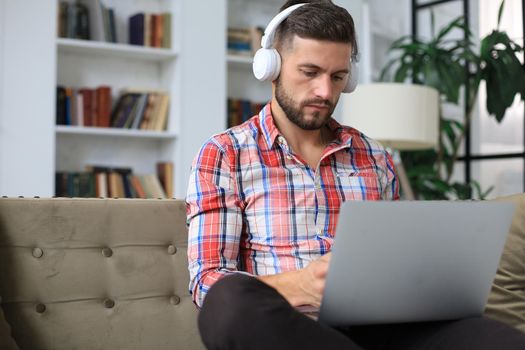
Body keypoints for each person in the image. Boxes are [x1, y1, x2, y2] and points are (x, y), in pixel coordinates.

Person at [185, 1, 525, 349]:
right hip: (292, 328)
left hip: (382, 329)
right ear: (271, 65)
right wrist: (301, 284)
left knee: (492, 337)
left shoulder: (374, 157)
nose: (325, 92)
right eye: (309, 71)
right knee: (228, 302)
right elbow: (207, 284)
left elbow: (397, 262)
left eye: (337, 77)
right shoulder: (225, 154)